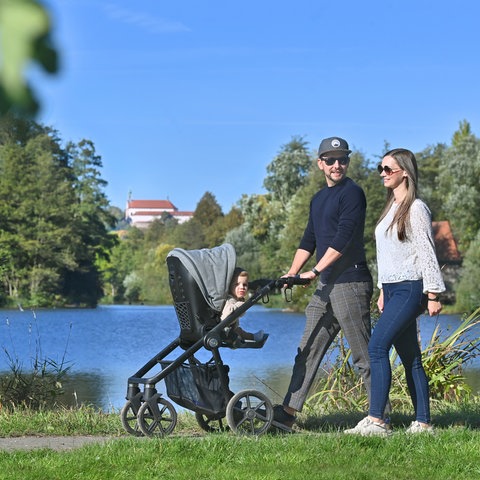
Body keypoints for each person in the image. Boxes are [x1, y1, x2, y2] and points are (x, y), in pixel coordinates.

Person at [272, 136, 374, 432]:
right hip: (325, 287)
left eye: (342, 159)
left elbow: (342, 238)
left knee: (362, 354)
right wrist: (291, 273)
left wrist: (313, 271)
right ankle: (289, 412)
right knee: (307, 350)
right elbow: (309, 240)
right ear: (320, 164)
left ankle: (379, 415)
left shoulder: (352, 194)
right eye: (330, 160)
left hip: (350, 282)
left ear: (347, 162)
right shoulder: (318, 199)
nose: (337, 165)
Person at [344, 148, 445, 436]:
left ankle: (377, 420)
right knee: (411, 357)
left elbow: (427, 251)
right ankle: (423, 423)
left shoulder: (416, 208)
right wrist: (381, 290)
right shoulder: (390, 208)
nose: (383, 174)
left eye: (388, 169)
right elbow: (388, 254)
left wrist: (434, 294)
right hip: (392, 289)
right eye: (381, 168)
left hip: (412, 288)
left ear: (405, 172)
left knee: (376, 347)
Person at [221, 268, 264, 342]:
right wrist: (241, 305)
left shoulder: (237, 299)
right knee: (238, 331)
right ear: (230, 286)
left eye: (245, 285)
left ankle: (253, 337)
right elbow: (225, 317)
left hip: (232, 329)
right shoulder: (229, 299)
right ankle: (251, 337)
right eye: (237, 284)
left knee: (239, 330)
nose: (242, 287)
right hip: (226, 331)